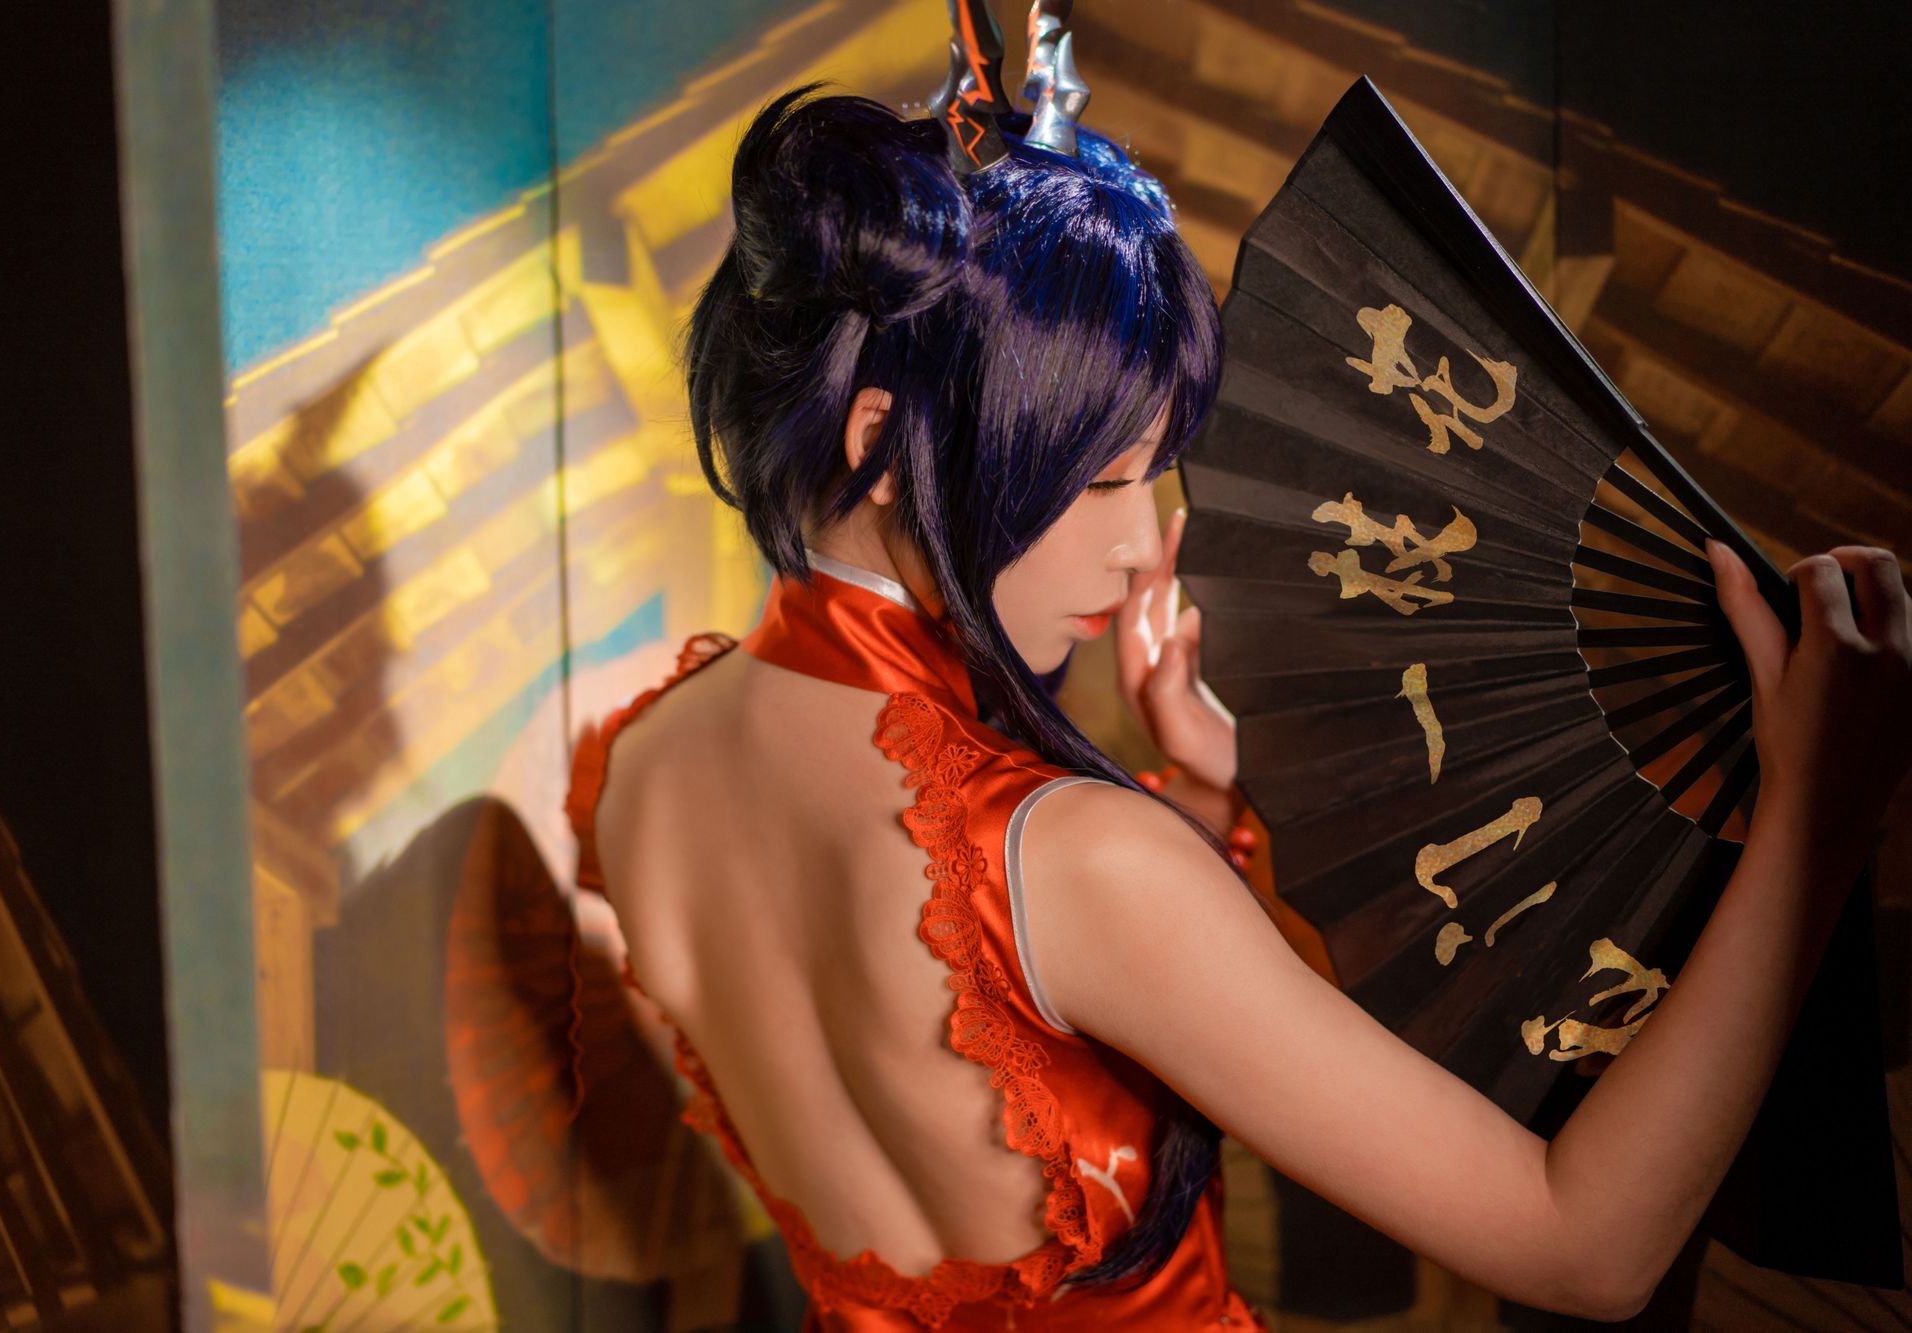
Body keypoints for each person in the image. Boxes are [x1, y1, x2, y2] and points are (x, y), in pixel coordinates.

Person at [564, 84, 1912, 1330]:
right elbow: (1588, 1248)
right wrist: (1816, 816)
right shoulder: (1076, 865)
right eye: (1102, 481)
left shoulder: (634, 766)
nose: (1140, 546)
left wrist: (1209, 802)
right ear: (877, 447)